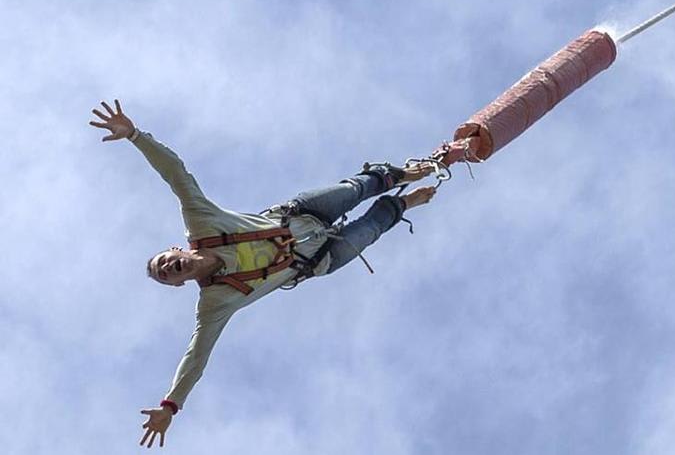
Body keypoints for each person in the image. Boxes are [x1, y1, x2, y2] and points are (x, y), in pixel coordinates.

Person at [89, 100, 438, 448]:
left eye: (165, 261)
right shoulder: (215, 301)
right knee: (369, 230)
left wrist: (135, 135)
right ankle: (403, 204)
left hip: (299, 214)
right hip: (316, 258)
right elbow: (196, 356)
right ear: (179, 284)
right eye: (166, 275)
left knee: (353, 190)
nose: (167, 268)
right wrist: (171, 405)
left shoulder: (202, 222)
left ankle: (398, 175)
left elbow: (176, 173)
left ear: (178, 249)